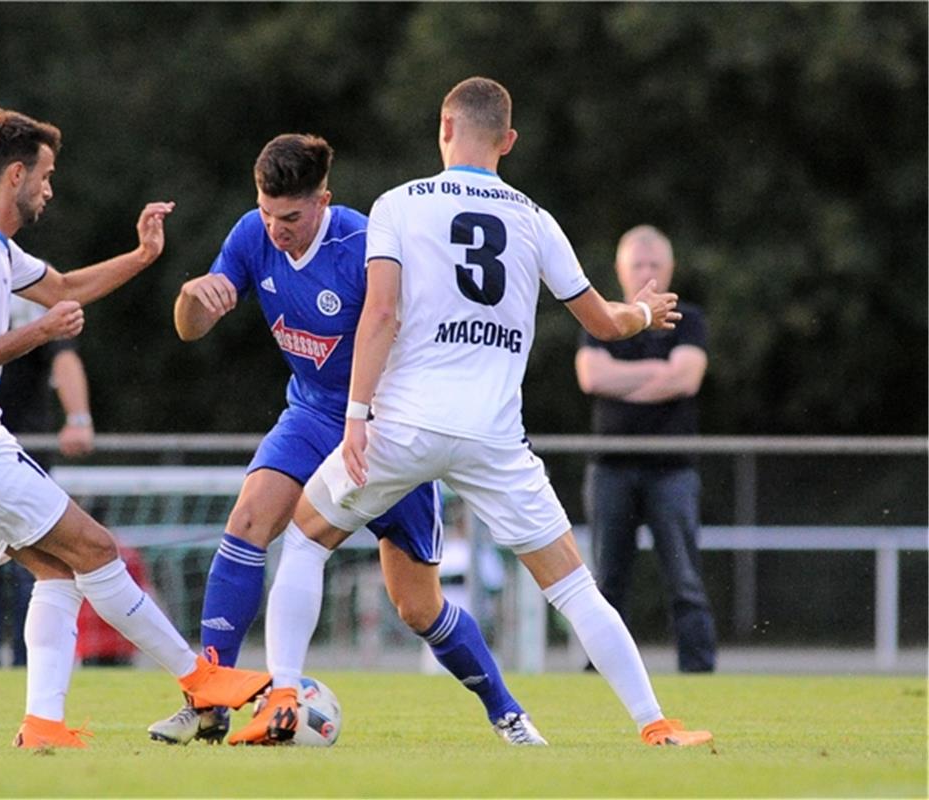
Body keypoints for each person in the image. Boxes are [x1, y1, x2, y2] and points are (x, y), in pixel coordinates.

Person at [255, 77, 713, 747]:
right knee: (575, 585)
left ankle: (285, 696)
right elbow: (606, 322)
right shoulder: (534, 217)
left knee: (304, 535)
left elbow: (379, 315)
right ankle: (657, 723)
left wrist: (356, 416)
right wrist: (645, 310)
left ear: (444, 128)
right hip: (493, 438)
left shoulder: (398, 205)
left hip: (406, 425)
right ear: (509, 141)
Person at [0, 108, 270, 749]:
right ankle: (199, 679)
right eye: (44, 175)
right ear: (16, 174)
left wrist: (146, 255)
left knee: (60, 571)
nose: (49, 188)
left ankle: (42, 725)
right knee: (96, 548)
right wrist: (42, 330)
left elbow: (64, 285)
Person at [150, 133, 537, 746]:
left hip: (388, 427)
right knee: (249, 519)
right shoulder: (251, 234)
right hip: (309, 416)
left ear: (323, 200)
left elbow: (414, 327)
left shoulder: (365, 242)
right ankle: (209, 699)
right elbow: (189, 328)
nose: (277, 229)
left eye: (292, 217)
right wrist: (193, 299)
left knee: (417, 608)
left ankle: (506, 710)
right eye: (268, 212)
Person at [575, 225, 716, 673]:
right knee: (606, 582)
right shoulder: (602, 317)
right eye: (639, 264)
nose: (647, 273)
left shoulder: (687, 319)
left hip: (672, 469)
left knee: (685, 580)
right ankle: (601, 671)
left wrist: (624, 379)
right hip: (611, 467)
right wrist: (658, 376)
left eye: (655, 264)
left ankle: (698, 672)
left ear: (670, 269)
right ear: (621, 269)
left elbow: (687, 378)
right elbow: (592, 378)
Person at [0, 292, 94, 668]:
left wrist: (79, 417)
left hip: (24, 451)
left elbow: (63, 355)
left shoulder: (32, 285)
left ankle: (28, 668)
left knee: (35, 568)